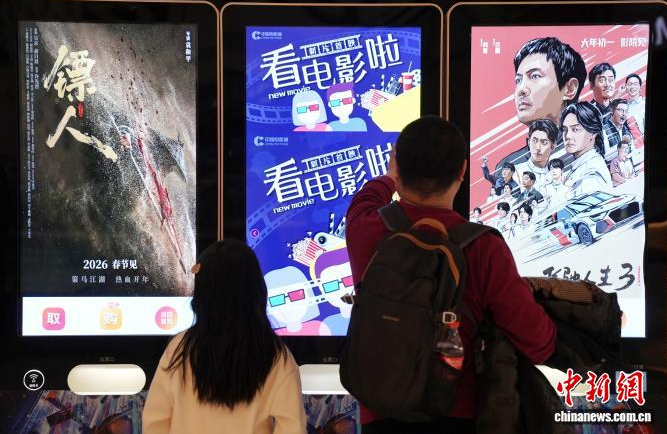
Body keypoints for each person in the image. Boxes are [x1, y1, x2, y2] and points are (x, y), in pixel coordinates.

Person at [345, 116, 556, 434]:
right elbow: (538, 343)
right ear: (462, 170)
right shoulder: (484, 247)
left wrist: (391, 175)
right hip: (456, 414)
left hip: (379, 416)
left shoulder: (365, 227)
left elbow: (368, 196)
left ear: (396, 165)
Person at [143, 239, 306, 434]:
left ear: (201, 294)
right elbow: (292, 428)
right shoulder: (276, 356)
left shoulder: (179, 348)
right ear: (257, 290)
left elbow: (155, 422)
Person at [492, 37, 586, 179]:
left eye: (535, 76)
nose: (521, 89)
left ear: (569, 89)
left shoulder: (588, 151)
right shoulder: (507, 167)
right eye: (518, 80)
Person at [561, 102, 612, 198]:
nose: (567, 136)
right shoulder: (582, 165)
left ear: (593, 132)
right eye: (565, 130)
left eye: (575, 129)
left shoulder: (590, 177)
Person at [513, 119, 559, 192]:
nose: (538, 147)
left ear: (553, 146)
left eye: (544, 142)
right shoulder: (516, 172)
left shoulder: (556, 175)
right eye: (534, 141)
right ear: (529, 142)